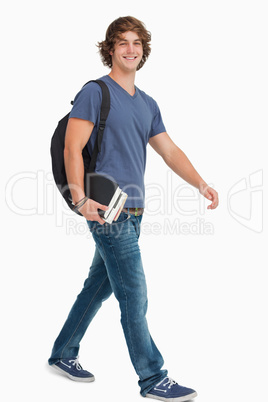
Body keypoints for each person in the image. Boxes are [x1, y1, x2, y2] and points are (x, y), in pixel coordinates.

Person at [48, 16, 219, 401]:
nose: (130, 49)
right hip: (106, 209)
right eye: (122, 42)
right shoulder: (96, 92)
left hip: (136, 210)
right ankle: (152, 377)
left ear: (144, 50)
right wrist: (78, 199)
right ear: (110, 48)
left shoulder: (148, 104)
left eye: (137, 43)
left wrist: (202, 183)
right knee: (135, 294)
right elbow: (71, 148)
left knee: (99, 286)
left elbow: (170, 151)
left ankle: (62, 353)